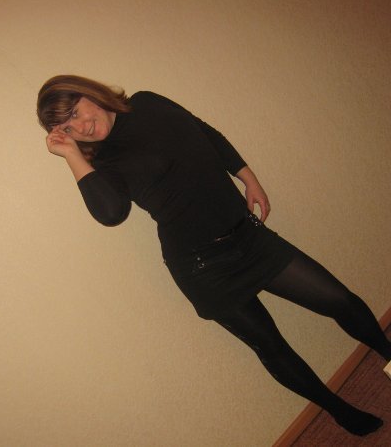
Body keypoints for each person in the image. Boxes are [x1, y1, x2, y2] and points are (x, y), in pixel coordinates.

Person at [37, 75, 391, 437]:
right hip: (202, 268)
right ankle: (340, 411)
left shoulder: (148, 102)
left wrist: (248, 177)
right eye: (68, 128)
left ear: (90, 94)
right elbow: (112, 213)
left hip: (248, 237)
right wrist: (72, 155)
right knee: (271, 346)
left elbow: (205, 133)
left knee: (339, 300)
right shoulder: (103, 164)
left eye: (76, 112)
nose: (82, 127)